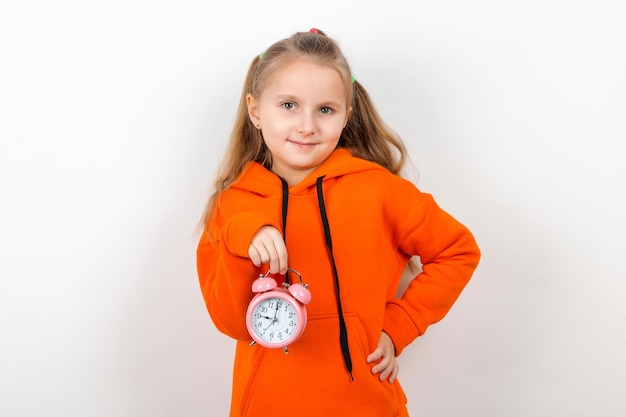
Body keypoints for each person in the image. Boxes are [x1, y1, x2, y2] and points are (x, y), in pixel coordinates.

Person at [196, 28, 480, 417]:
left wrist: (399, 326)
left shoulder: (378, 190)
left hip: (368, 405)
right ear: (255, 109)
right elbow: (232, 323)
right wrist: (239, 238)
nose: (307, 126)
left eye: (325, 109)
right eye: (289, 105)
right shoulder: (232, 206)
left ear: (347, 115)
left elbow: (458, 250)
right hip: (267, 406)